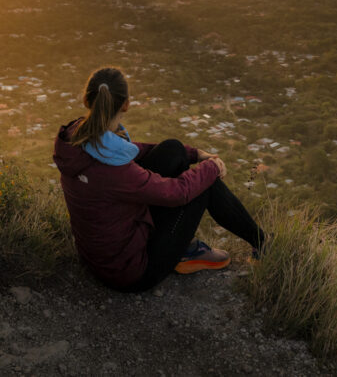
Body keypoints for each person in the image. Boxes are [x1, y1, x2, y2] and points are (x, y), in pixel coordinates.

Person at [53, 66, 265, 292]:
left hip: (100, 258)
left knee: (173, 149)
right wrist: (211, 167)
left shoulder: (77, 137)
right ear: (126, 104)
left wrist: (193, 154)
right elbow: (177, 193)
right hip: (131, 273)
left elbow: (132, 149)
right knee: (204, 183)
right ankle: (261, 243)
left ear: (88, 99)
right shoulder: (114, 171)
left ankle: (184, 248)